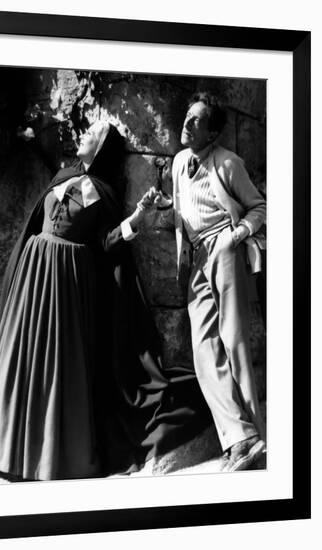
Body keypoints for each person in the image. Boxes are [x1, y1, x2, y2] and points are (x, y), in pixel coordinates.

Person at [0, 121, 210, 481]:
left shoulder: (99, 193)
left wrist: (137, 217)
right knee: (20, 358)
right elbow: (37, 223)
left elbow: (107, 243)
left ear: (101, 147)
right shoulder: (62, 174)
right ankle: (4, 444)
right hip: (33, 277)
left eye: (90, 134)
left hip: (65, 284)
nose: (82, 136)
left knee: (54, 364)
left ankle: (45, 456)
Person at [171, 92, 267, 472]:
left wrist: (237, 235)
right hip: (196, 257)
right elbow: (182, 207)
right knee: (203, 351)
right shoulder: (179, 162)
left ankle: (254, 439)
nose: (187, 123)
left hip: (224, 248)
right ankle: (243, 437)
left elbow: (260, 206)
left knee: (235, 344)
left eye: (197, 120)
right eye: (188, 116)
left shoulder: (229, 163)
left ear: (211, 133)